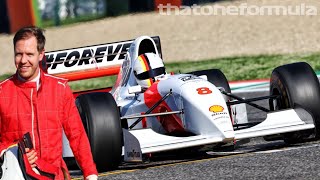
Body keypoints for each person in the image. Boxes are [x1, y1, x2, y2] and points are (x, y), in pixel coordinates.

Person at [0, 26, 98, 179]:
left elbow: (77, 135)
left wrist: (90, 173)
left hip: (54, 175)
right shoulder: (2, 92)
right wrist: (12, 153)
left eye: (29, 54)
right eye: (19, 54)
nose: (23, 60)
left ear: (41, 55)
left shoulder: (60, 89)